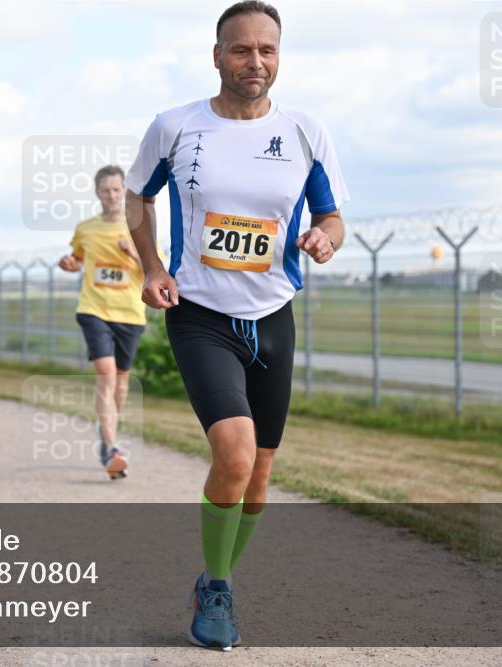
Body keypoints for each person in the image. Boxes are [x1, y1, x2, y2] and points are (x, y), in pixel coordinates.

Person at [125, 1, 348, 650]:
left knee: (259, 476)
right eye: (242, 49)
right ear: (217, 55)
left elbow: (333, 215)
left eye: (267, 51)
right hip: (199, 314)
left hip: (273, 317)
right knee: (235, 452)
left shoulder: (307, 132)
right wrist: (150, 266)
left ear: (279, 57)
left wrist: (325, 238)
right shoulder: (175, 127)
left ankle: (212, 575)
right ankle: (217, 587)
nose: (256, 62)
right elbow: (139, 194)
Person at [58, 165, 156, 480]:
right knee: (106, 373)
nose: (112, 195)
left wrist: (133, 253)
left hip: (129, 313)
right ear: (97, 193)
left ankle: (107, 433)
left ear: (125, 191)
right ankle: (112, 446)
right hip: (93, 308)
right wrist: (70, 264)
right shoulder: (85, 228)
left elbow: (156, 271)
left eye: (117, 189)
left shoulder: (140, 228)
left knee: (121, 381)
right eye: (106, 190)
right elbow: (78, 260)